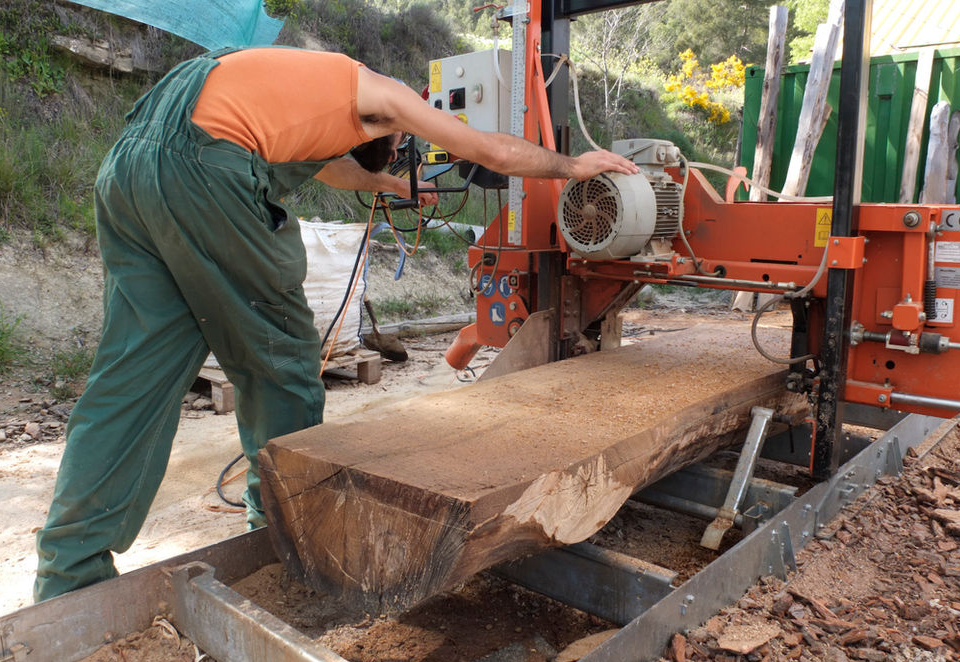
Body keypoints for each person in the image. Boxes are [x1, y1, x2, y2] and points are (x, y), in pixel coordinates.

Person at [33, 46, 640, 602]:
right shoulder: (382, 93)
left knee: (130, 378)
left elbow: (323, 165)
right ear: (391, 126)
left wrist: (384, 182)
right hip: (204, 174)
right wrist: (573, 166)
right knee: (281, 364)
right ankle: (283, 532)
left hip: (129, 172)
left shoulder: (290, 79)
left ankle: (68, 573)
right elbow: (492, 152)